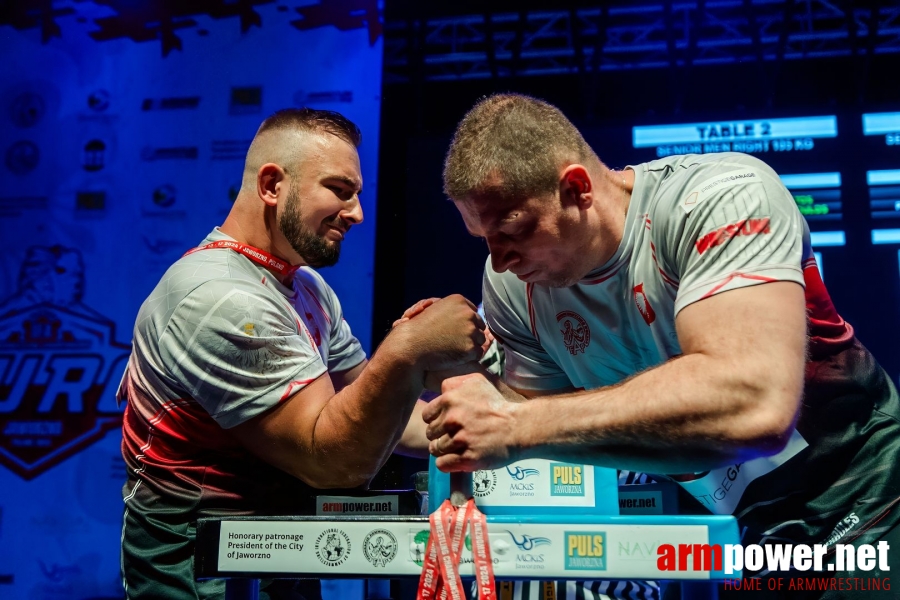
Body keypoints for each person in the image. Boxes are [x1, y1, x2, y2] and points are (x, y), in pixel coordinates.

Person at [421, 93, 900, 598]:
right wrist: (427, 375)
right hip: (741, 532)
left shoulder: (722, 197)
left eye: (513, 229)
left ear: (577, 188)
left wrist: (514, 422)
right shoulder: (514, 285)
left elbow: (755, 409)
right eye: (482, 237)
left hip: (861, 496)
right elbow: (538, 431)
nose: (498, 260)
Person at [118, 108, 486, 599]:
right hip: (201, 564)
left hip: (270, 544)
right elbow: (332, 460)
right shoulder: (220, 298)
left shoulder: (304, 285)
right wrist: (407, 349)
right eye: (339, 189)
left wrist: (514, 426)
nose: (357, 212)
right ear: (272, 185)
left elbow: (382, 414)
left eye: (357, 194)